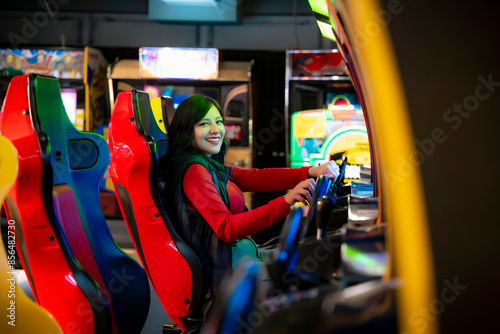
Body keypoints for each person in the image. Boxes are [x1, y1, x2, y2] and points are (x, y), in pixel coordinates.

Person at [160, 94, 339, 316]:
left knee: (308, 261)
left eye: (218, 121)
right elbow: (227, 229)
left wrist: (310, 171)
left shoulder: (206, 162)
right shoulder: (194, 170)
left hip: (241, 255)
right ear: (187, 130)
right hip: (226, 271)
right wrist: (285, 201)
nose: (215, 129)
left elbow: (254, 177)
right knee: (316, 293)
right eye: (204, 123)